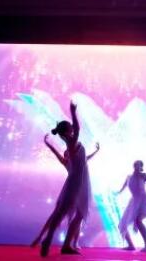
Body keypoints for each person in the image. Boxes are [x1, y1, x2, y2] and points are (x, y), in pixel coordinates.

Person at [38, 101, 91, 257]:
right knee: (63, 213)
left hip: (80, 183)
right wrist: (73, 112)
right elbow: (77, 128)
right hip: (76, 184)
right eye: (70, 127)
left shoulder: (70, 142)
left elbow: (75, 131)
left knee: (77, 213)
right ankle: (51, 241)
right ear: (68, 131)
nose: (73, 128)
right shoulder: (71, 142)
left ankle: (65, 245)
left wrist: (49, 144)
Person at [31, 138, 100, 250]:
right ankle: (41, 237)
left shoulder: (81, 160)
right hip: (71, 187)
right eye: (66, 154)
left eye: (68, 152)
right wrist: (48, 144)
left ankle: (75, 242)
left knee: (79, 215)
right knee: (58, 214)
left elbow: (89, 157)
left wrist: (96, 151)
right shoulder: (67, 162)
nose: (68, 154)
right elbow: (55, 152)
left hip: (81, 188)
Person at [116, 160, 146, 252]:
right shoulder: (129, 177)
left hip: (145, 202)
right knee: (121, 224)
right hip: (134, 203)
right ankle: (131, 245)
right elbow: (122, 188)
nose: (136, 166)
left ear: (141, 167)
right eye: (135, 164)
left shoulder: (144, 176)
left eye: (138, 165)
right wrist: (117, 192)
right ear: (133, 166)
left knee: (138, 221)